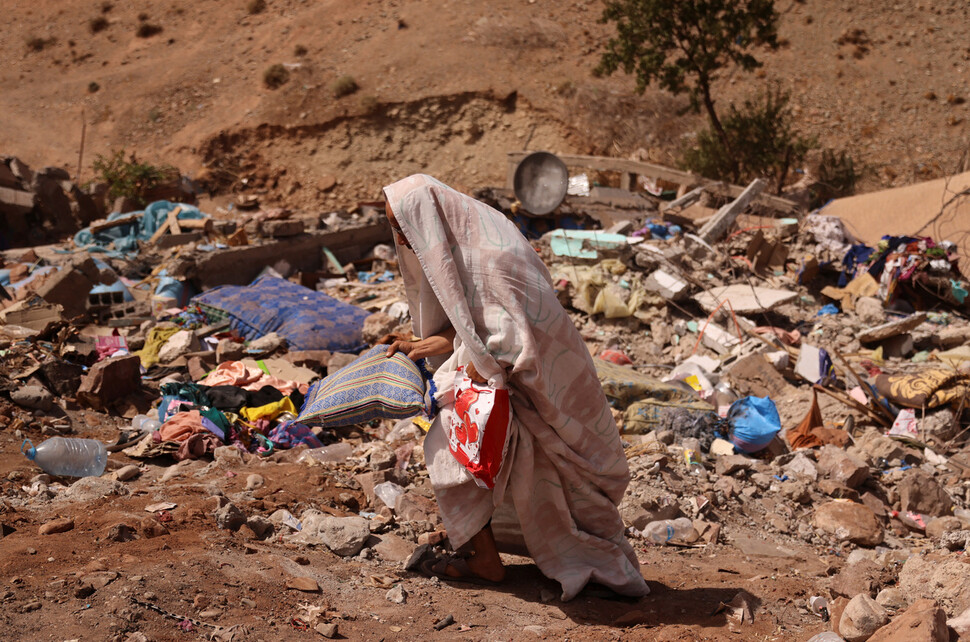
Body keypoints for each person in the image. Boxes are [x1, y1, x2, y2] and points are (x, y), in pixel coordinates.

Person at [382, 174, 648, 601]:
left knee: (450, 451)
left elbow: (513, 336)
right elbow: (477, 323)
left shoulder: (490, 255)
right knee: (498, 463)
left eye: (404, 227)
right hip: (518, 385)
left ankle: (488, 560)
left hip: (541, 388)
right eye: (395, 229)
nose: (402, 239)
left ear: (427, 219)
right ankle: (497, 547)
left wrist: (466, 372)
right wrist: (438, 344)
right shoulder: (470, 244)